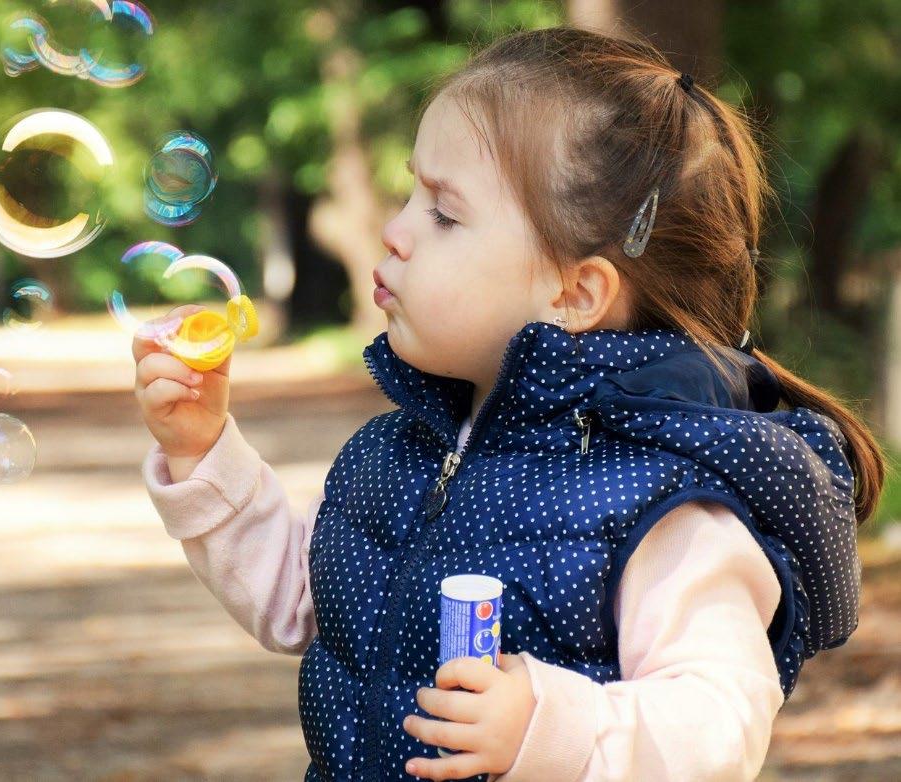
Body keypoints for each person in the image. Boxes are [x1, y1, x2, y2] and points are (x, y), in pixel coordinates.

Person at [134, 25, 884, 782]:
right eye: (408, 192)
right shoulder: (399, 450)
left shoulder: (660, 501)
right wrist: (203, 453)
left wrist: (549, 726)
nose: (393, 232)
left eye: (442, 213)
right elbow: (306, 600)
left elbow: (719, 723)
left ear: (574, 293)